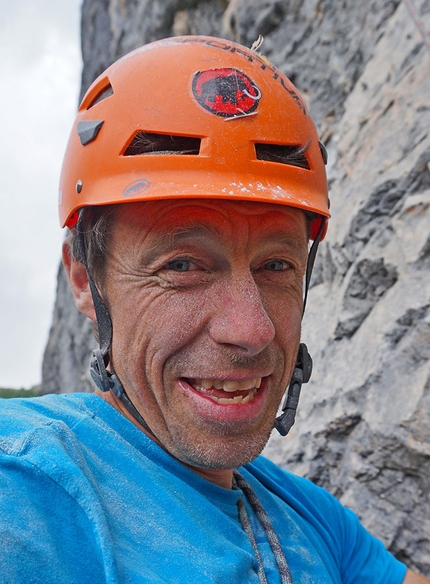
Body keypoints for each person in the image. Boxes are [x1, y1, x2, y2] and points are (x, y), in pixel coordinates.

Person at [0, 35, 428, 584]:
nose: (251, 331)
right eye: (182, 266)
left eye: (276, 266)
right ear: (85, 280)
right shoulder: (29, 486)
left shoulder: (313, 521)